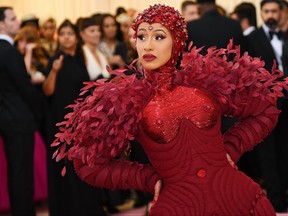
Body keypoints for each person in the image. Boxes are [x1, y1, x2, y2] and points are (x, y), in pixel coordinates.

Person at [51, 4, 288, 215]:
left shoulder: (206, 82)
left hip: (239, 198)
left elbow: (266, 107)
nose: (148, 45)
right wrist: (148, 178)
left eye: (159, 36)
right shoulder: (127, 100)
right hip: (177, 205)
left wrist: (231, 147)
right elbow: (87, 163)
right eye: (141, 36)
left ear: (177, 41)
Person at [42, 19, 106, 216]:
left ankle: (87, 207)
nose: (66, 37)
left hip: (82, 120)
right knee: (66, 166)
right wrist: (53, 71)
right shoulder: (56, 60)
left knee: (84, 164)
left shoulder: (81, 59)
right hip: (62, 121)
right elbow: (47, 91)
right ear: (58, 38)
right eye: (62, 34)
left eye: (69, 33)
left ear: (76, 37)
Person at [0, 6, 43, 216]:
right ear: (1, 24)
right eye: (13, 18)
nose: (18, 22)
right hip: (18, 118)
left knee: (17, 172)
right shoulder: (8, 51)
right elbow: (25, 86)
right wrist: (41, 112)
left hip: (8, 118)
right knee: (21, 173)